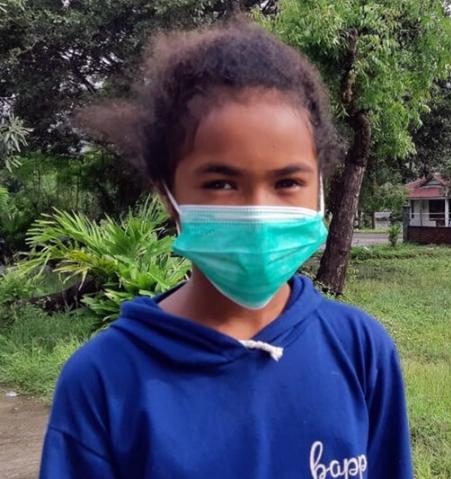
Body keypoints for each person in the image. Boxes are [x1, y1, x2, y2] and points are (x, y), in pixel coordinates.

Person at [40, 20, 412, 479]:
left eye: (287, 182)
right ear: (167, 195)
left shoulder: (361, 350)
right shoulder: (103, 382)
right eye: (220, 183)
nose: (257, 212)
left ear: (320, 188)